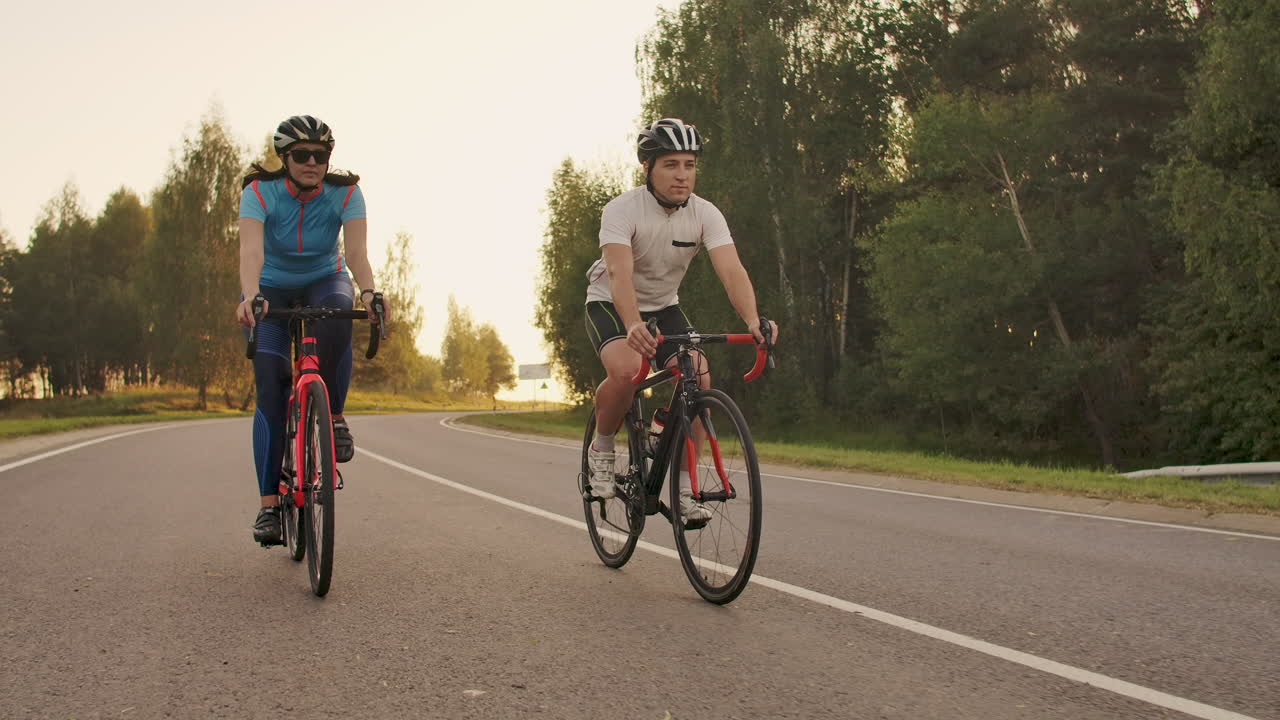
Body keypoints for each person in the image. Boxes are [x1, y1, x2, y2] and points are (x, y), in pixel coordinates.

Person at [583, 117, 779, 522]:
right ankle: (602, 448)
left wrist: (754, 320)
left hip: (664, 305)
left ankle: (686, 488)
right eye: (671, 164)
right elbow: (619, 274)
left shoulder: (706, 214)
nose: (682, 175)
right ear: (647, 169)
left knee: (699, 377)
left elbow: (732, 271)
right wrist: (634, 324)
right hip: (611, 302)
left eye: (689, 165)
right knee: (627, 369)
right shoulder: (621, 210)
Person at [235, 114, 389, 545]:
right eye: (301, 155)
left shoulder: (346, 193)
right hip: (270, 286)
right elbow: (251, 252)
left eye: (320, 155)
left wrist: (370, 293)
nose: (311, 162)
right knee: (270, 388)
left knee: (338, 313)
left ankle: (335, 417)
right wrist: (250, 296)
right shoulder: (259, 193)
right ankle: (268, 508)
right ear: (284, 158)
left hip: (326, 277)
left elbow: (356, 253)